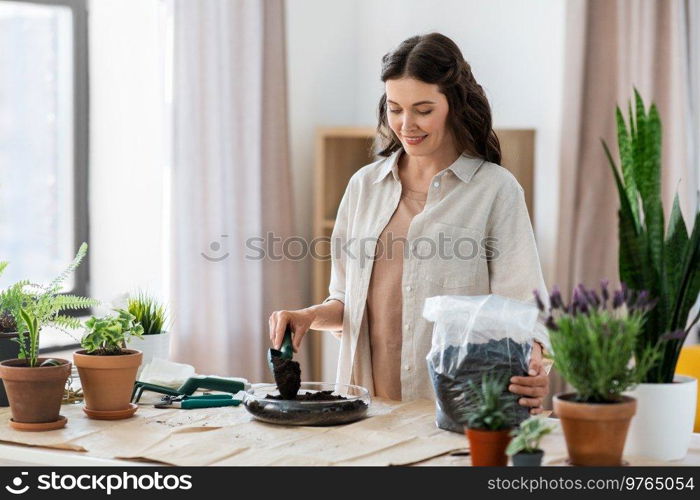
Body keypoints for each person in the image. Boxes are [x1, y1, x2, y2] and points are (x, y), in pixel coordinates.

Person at [269, 33, 550, 414]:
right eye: (395, 108)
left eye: (423, 109)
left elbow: (523, 309)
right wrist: (309, 316)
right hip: (365, 411)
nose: (406, 124)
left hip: (456, 410)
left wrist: (534, 365)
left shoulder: (495, 191)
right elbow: (347, 302)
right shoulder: (363, 187)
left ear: (454, 104)